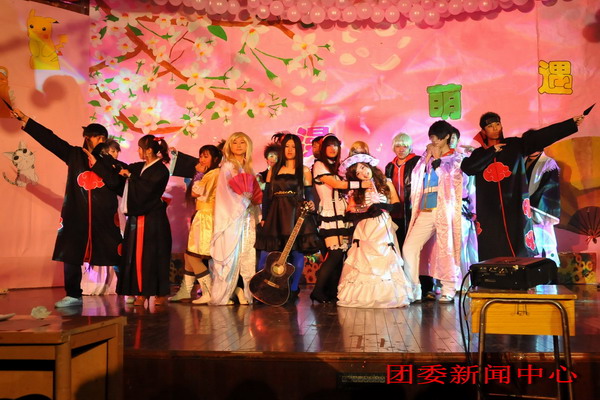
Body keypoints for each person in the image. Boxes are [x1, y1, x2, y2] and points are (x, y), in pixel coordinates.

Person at [10, 108, 122, 308]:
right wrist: (27, 121)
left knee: (116, 254)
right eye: (98, 137)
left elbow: (118, 185)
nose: (102, 141)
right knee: (71, 253)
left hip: (104, 216)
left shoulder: (110, 163)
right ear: (87, 138)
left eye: (104, 138)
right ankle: (73, 295)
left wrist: (102, 165)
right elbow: (50, 139)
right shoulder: (74, 155)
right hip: (76, 215)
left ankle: (128, 289)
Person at [461, 112, 584, 261]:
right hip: (490, 210)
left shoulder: (514, 145)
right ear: (483, 131)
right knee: (493, 247)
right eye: (490, 126)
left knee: (518, 245)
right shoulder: (479, 154)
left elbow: (541, 137)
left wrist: (570, 124)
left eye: (497, 124)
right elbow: (468, 168)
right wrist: (492, 152)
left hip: (515, 206)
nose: (495, 128)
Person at [336, 154, 413, 308]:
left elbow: (397, 205)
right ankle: (362, 296)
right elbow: (349, 212)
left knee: (385, 257)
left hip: (383, 227)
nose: (363, 173)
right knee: (363, 261)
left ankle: (388, 295)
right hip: (365, 228)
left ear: (369, 166)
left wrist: (382, 207)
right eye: (358, 173)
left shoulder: (386, 182)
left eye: (363, 168)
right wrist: (365, 212)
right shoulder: (356, 190)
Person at [402, 121, 465, 303]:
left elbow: (453, 181)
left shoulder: (456, 158)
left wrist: (438, 161)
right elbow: (416, 175)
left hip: (444, 209)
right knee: (409, 247)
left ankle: (448, 288)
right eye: (431, 137)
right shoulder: (426, 157)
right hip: (426, 209)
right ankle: (414, 289)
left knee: (447, 248)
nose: (433, 140)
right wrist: (427, 158)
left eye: (437, 137)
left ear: (446, 137)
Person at [255, 134, 321, 302]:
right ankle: (262, 289)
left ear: (298, 149)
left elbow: (309, 194)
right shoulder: (273, 169)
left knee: (296, 254)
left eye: (293, 147)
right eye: (287, 146)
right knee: (267, 253)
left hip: (296, 215)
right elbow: (266, 196)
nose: (290, 150)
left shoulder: (304, 170)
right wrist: (265, 217)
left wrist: (311, 204)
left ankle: (292, 290)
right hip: (276, 214)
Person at [310, 135, 372, 303]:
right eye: (329, 145)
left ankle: (331, 292)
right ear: (323, 148)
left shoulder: (337, 167)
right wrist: (360, 185)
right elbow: (336, 184)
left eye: (336, 145)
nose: (333, 149)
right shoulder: (319, 165)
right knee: (335, 253)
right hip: (330, 213)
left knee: (341, 255)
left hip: (343, 213)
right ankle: (317, 290)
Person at [117, 135, 172, 307]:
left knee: (153, 255)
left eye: (140, 148)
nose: (138, 151)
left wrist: (131, 177)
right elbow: (124, 168)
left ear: (148, 150)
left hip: (153, 219)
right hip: (138, 217)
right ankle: (140, 291)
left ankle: (159, 292)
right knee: (136, 254)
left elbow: (146, 190)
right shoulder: (139, 167)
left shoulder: (161, 170)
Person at [210, 132, 261, 305]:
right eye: (235, 143)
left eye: (242, 142)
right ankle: (225, 293)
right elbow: (226, 193)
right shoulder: (227, 166)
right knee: (230, 255)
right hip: (232, 217)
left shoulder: (248, 167)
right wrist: (245, 200)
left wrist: (254, 203)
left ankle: (247, 292)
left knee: (247, 255)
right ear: (229, 146)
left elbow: (253, 193)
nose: (239, 146)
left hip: (247, 217)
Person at [169, 144, 223, 304]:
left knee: (194, 257)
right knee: (189, 255)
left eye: (206, 156)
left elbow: (195, 192)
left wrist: (199, 174)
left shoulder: (213, 173)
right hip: (202, 216)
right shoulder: (210, 173)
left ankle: (207, 291)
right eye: (201, 156)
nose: (201, 160)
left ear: (215, 159)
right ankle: (185, 290)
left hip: (207, 218)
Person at [526, 151, 561, 265]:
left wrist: (529, 203)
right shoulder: (522, 161)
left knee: (543, 244)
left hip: (538, 212)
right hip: (523, 211)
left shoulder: (549, 163)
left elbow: (548, 188)